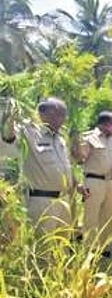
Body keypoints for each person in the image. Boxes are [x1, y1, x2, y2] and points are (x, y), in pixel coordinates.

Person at [1, 98, 79, 236]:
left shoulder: (60, 138)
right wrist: (9, 118)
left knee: (62, 250)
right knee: (42, 250)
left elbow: (65, 165)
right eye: (59, 114)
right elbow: (9, 139)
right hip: (42, 202)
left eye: (64, 115)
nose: (63, 119)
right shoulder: (29, 131)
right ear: (44, 113)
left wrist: (76, 184)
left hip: (63, 200)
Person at [72, 111, 112, 257]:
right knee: (91, 217)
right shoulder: (89, 138)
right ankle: (89, 251)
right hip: (94, 181)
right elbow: (79, 159)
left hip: (110, 182)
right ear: (106, 125)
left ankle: (106, 248)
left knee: (108, 216)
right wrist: (76, 144)